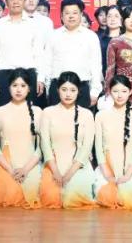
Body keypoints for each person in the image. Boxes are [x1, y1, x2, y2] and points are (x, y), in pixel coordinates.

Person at [38, 72, 97, 209]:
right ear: (58, 90)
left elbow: (86, 147)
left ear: (78, 91)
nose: (68, 94)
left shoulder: (87, 114)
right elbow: (45, 144)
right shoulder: (47, 112)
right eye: (64, 89)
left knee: (74, 199)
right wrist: (56, 172)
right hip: (53, 164)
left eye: (72, 90)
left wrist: (69, 174)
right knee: (50, 198)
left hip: (77, 166)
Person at [0, 68, 43, 208]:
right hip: (6, 165)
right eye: (15, 85)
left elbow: (41, 148)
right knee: (9, 192)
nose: (18, 90)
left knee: (33, 193)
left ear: (29, 89)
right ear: (9, 88)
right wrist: (10, 170)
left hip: (30, 165)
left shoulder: (37, 112)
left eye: (23, 86)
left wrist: (25, 169)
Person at [0, 0, 48, 107]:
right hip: (4, 77)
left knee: (30, 113)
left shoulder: (34, 25)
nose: (16, 2)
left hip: (29, 76)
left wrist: (41, 78)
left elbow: (39, 54)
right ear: (6, 2)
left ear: (24, 1)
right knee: (4, 113)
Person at [94, 76, 132, 210]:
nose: (119, 95)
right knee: (107, 197)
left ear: (130, 92)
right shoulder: (100, 116)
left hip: (129, 169)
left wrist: (128, 175)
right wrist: (107, 174)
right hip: (107, 168)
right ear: (110, 92)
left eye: (124, 91)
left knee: (131, 198)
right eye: (115, 91)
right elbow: (98, 148)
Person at [45, 0, 102, 109]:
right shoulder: (53, 36)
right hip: (57, 88)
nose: (71, 16)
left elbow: (96, 65)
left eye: (75, 13)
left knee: (81, 119)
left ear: (81, 14)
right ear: (61, 16)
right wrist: (48, 89)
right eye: (67, 13)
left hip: (82, 88)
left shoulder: (90, 36)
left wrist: (95, 91)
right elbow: (47, 62)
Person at [98, 5, 123, 75]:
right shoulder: (99, 40)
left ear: (121, 20)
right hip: (103, 77)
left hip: (123, 78)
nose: (112, 19)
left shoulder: (127, 39)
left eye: (116, 16)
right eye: (109, 16)